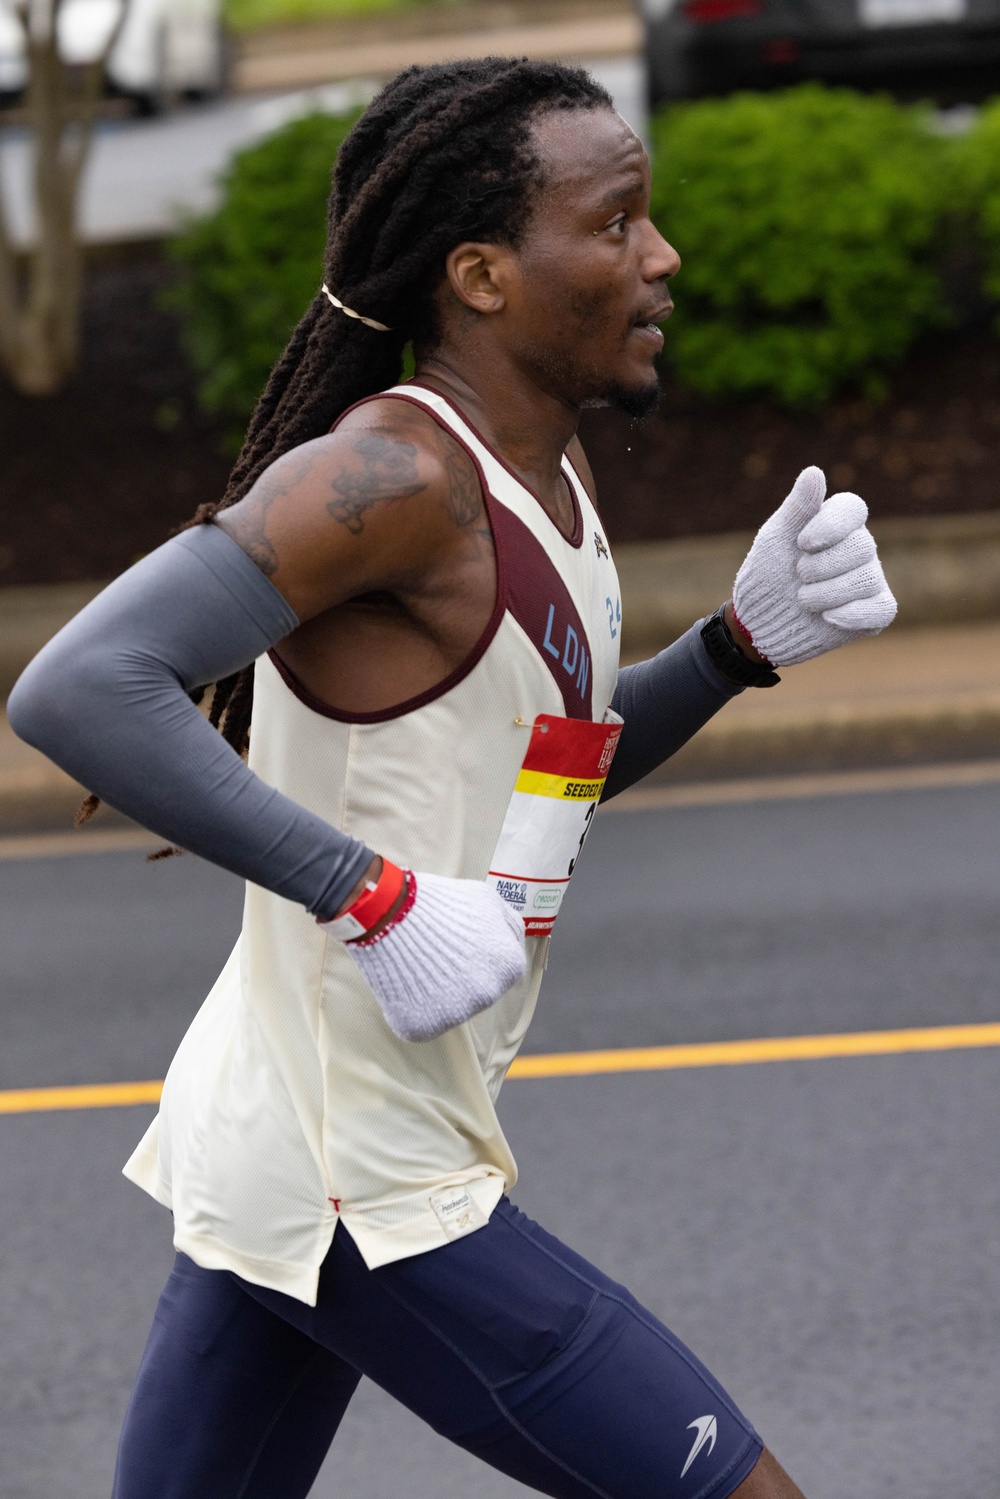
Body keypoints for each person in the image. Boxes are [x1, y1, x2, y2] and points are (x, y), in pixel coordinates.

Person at [9, 58, 896, 1499]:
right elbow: (80, 687)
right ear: (481, 273)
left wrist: (736, 647)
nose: (659, 257)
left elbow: (545, 781)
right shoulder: (394, 479)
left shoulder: (540, 481)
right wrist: (365, 891)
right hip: (371, 1180)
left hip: (295, 1140)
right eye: (615, 224)